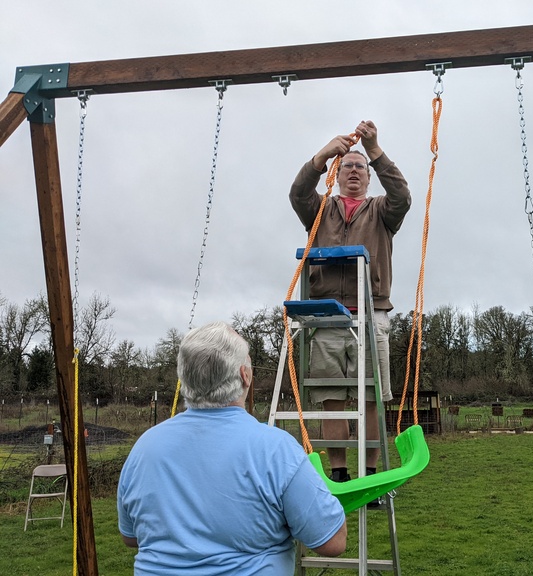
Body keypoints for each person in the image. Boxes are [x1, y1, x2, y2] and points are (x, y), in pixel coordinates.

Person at [117, 321, 346, 575]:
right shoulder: (275, 449)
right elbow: (332, 541)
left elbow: (131, 537)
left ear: (184, 379)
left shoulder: (145, 448)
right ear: (244, 375)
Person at [289, 120, 411, 485]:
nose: (354, 171)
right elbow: (297, 194)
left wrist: (374, 150)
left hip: (371, 314)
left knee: (372, 397)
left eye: (360, 167)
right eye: (347, 166)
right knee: (331, 398)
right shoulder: (320, 209)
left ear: (369, 176)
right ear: (337, 174)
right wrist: (322, 154)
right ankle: (339, 474)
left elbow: (403, 196)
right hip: (326, 317)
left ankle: (370, 474)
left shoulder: (381, 211)